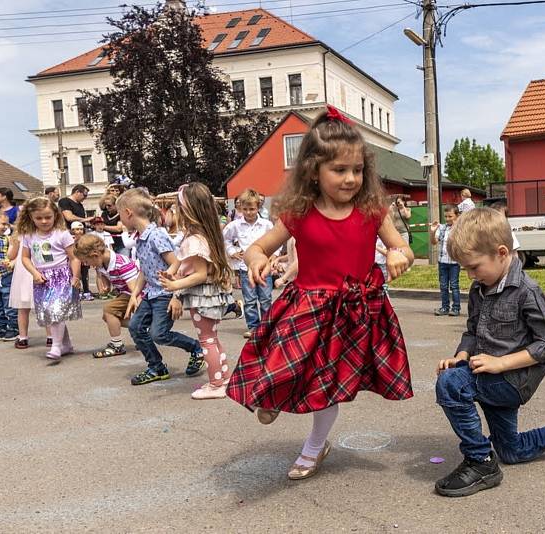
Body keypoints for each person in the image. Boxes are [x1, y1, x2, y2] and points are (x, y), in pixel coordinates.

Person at [226, 106, 415, 480]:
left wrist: (398, 254)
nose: (350, 179)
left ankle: (314, 447)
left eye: (358, 170)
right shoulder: (300, 213)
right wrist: (256, 258)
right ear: (314, 170)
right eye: (340, 170)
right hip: (305, 310)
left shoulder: (372, 211)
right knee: (280, 364)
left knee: (327, 386)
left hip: (353, 315)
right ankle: (271, 398)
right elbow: (258, 247)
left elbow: (404, 248)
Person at [433, 208, 545, 498]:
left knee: (450, 383)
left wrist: (501, 363)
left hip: (511, 381)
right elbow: (471, 332)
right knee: (512, 450)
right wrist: (462, 357)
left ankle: (480, 462)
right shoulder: (481, 287)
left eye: (474, 267)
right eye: (465, 269)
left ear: (501, 253)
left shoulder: (526, 291)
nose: (469, 275)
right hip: (488, 374)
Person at [117, 188, 204, 386]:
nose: (120, 220)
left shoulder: (156, 235)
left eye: (120, 215)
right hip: (151, 293)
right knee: (136, 327)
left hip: (165, 293)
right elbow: (144, 270)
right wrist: (134, 294)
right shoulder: (140, 238)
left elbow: (176, 262)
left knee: (159, 334)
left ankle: (196, 348)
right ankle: (156, 367)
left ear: (128, 213)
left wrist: (175, 294)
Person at [158, 183, 235, 399]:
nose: (175, 212)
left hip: (202, 296)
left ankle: (215, 384)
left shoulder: (195, 239)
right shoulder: (204, 234)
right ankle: (223, 378)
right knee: (212, 338)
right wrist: (172, 273)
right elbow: (182, 260)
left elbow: (200, 274)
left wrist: (175, 286)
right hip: (210, 295)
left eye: (177, 208)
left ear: (188, 210)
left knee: (207, 340)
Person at [17, 197, 82, 360]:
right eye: (39, 218)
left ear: (55, 215)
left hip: (61, 277)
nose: (44, 221)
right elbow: (25, 258)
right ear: (31, 217)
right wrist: (34, 273)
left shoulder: (62, 234)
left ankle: (56, 345)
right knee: (51, 313)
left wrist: (76, 276)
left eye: (48, 217)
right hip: (42, 279)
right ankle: (66, 345)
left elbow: (74, 257)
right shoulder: (29, 235)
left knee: (56, 311)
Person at [74, 234, 139, 358]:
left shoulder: (121, 263)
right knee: (108, 317)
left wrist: (139, 308)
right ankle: (142, 329)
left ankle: (117, 345)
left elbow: (135, 289)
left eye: (86, 261)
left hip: (136, 292)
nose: (88, 265)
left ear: (95, 255)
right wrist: (106, 286)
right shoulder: (101, 263)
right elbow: (107, 279)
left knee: (109, 310)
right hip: (125, 293)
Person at [222, 189, 274, 338]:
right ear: (240, 208)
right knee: (250, 300)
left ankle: (267, 327)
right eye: (245, 209)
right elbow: (225, 239)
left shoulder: (266, 225)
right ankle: (253, 327)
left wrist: (272, 257)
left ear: (258, 207)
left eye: (252, 209)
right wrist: (232, 251)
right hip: (246, 268)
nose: (249, 212)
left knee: (265, 299)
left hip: (264, 268)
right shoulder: (235, 226)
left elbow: (275, 243)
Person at [7, 231, 52, 349]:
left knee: (31, 307)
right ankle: (45, 337)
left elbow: (11, 256)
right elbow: (11, 256)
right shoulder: (27, 235)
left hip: (31, 271)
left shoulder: (24, 236)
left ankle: (27, 338)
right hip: (32, 272)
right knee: (36, 306)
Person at [429, 205, 461, 317]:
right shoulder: (442, 228)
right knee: (443, 286)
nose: (447, 219)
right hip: (442, 262)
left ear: (457, 216)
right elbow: (434, 242)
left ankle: (456, 308)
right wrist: (432, 232)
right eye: (446, 216)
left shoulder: (460, 229)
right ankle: (445, 307)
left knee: (454, 285)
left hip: (454, 263)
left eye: (450, 216)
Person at [0, 213, 19, 342]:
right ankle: (0, 327)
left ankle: (13, 327)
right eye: (3, 224)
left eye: (7, 224)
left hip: (6, 275)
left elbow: (16, 253)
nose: (5, 227)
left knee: (8, 303)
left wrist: (11, 262)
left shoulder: (8, 239)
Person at [70, 222, 93, 301]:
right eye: (77, 229)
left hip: (84, 261)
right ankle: (78, 292)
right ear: (72, 230)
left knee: (85, 277)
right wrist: (75, 241)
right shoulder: (70, 239)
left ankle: (86, 292)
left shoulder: (85, 239)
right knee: (77, 276)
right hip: (75, 261)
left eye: (81, 229)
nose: (79, 231)